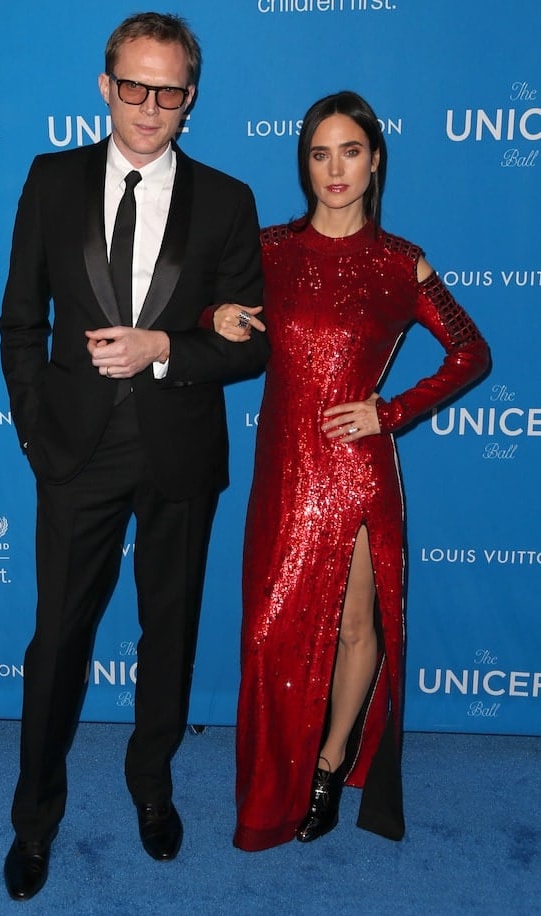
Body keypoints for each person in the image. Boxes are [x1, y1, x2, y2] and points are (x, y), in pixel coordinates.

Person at [0, 11, 269, 900]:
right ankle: (34, 817)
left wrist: (161, 346)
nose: (150, 107)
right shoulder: (51, 179)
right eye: (134, 86)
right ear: (104, 85)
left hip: (180, 453)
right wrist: (39, 434)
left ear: (191, 98)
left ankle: (151, 789)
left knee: (171, 636)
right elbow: (20, 322)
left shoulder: (228, 201)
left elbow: (247, 345)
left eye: (170, 91)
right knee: (57, 644)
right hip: (73, 454)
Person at [212, 90, 490, 852]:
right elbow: (207, 309)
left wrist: (389, 412)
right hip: (282, 471)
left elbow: (471, 351)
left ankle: (331, 764)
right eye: (319, 152)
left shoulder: (401, 261)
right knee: (268, 633)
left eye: (351, 151)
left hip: (356, 471)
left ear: (375, 161)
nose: (335, 169)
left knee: (357, 625)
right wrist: (216, 319)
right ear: (303, 162)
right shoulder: (267, 247)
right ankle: (272, 786)